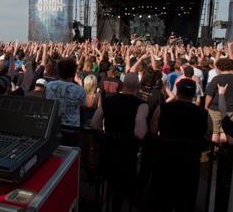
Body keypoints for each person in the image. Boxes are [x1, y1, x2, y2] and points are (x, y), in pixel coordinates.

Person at [149, 79, 212, 212]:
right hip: (189, 163)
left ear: (177, 92)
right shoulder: (204, 114)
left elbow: (153, 131)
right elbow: (207, 137)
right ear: (194, 95)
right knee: (185, 201)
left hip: (166, 160)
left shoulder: (163, 109)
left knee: (163, 199)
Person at [90, 72, 148, 212]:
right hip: (127, 151)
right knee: (121, 186)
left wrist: (103, 139)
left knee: (106, 181)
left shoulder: (108, 101)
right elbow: (140, 133)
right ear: (138, 86)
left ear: (122, 84)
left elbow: (93, 124)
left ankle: (100, 207)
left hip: (109, 147)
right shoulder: (141, 105)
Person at [46, 57, 87, 145]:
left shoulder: (49, 85)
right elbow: (83, 107)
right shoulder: (81, 90)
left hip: (53, 127)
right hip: (72, 130)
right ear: (73, 72)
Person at [205, 58, 233, 146]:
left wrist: (206, 106)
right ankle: (223, 150)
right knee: (225, 131)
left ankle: (213, 152)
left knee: (215, 131)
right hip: (231, 108)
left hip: (215, 108)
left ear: (219, 68)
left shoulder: (216, 79)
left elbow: (209, 95)